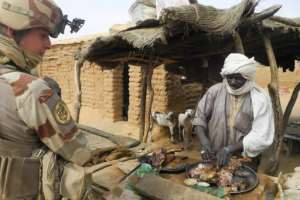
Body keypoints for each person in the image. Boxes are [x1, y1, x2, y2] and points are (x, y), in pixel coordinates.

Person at [0, 0, 96, 199]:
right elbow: (79, 153)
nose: (49, 45)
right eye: (42, 35)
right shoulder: (31, 90)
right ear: (12, 31)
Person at [192, 53, 275, 171]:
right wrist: (205, 142)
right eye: (229, 77)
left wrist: (229, 149)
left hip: (244, 160)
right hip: (215, 155)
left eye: (238, 78)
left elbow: (261, 135)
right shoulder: (214, 92)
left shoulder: (259, 98)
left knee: (241, 185)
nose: (233, 82)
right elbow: (199, 118)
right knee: (212, 181)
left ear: (247, 77)